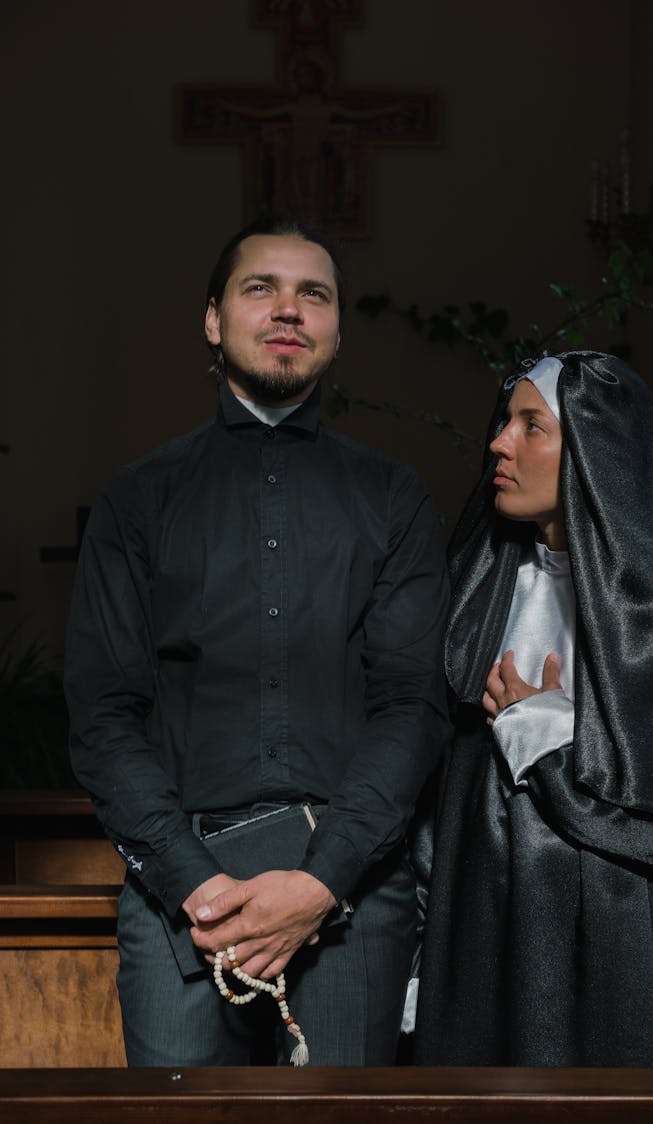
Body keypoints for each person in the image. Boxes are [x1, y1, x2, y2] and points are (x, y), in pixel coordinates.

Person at [65, 215, 449, 1067]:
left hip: (352, 893)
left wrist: (322, 880)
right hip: (181, 893)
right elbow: (102, 714)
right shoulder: (137, 501)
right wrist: (195, 883)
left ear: (337, 331)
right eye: (260, 288)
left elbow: (412, 704)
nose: (288, 310)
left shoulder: (395, 500)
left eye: (313, 294)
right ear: (213, 320)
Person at [414, 351, 653, 1067]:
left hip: (610, 966)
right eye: (504, 422)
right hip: (481, 944)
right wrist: (422, 957)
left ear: (595, 454)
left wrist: (541, 733)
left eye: (531, 426)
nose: (499, 443)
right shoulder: (478, 598)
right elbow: (439, 801)